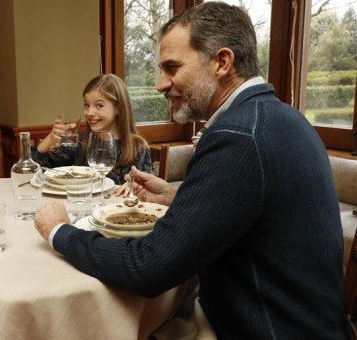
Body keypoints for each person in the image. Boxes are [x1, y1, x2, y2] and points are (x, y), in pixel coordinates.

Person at [33, 2, 348, 338]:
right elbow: (255, 209)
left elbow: (149, 269)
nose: (160, 84)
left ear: (222, 62)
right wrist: (179, 196)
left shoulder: (237, 136)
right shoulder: (284, 117)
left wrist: (60, 231)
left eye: (172, 68)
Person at [32, 74, 151, 185]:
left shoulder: (138, 148)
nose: (89, 113)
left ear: (118, 108)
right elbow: (41, 170)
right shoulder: (82, 141)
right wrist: (52, 136)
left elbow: (144, 192)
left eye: (99, 105)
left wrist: (134, 188)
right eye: (86, 105)